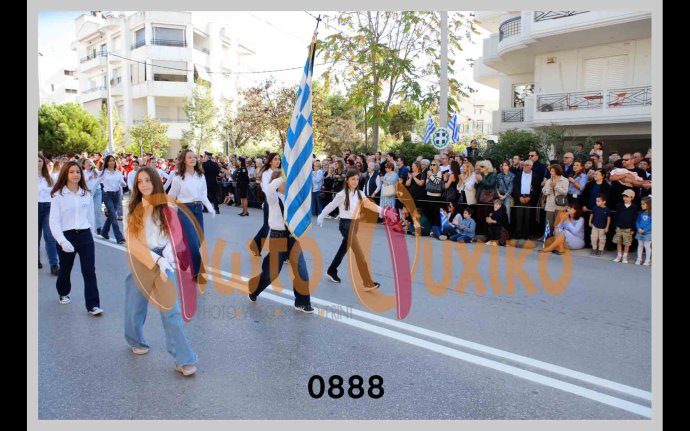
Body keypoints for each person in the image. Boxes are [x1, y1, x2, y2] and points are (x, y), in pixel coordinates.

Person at [123, 166, 198, 376]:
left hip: (165, 259)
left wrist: (167, 256)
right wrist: (156, 259)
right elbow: (132, 242)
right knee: (135, 307)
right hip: (141, 259)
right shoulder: (131, 207)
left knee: (171, 311)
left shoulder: (168, 206)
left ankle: (183, 358)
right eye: (140, 181)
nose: (144, 184)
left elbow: (174, 236)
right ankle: (135, 340)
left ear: (156, 181)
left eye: (148, 180)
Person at [317, 169, 398, 289]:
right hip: (345, 225)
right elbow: (331, 205)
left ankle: (331, 271)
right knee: (359, 253)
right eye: (352, 179)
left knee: (342, 250)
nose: (355, 181)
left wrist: (385, 212)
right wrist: (321, 215)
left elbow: (370, 205)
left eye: (357, 179)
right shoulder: (341, 195)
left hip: (355, 225)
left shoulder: (360, 193)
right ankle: (367, 282)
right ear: (347, 180)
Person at [247, 169, 314, 313]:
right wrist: (285, 174)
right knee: (272, 273)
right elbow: (270, 188)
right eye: (284, 181)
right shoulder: (272, 198)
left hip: (292, 237)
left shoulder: (292, 198)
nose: (286, 183)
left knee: (301, 270)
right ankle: (254, 288)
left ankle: (302, 302)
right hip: (278, 236)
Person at [49, 161, 103, 315]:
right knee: (65, 268)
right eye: (71, 172)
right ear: (65, 174)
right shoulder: (58, 195)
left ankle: (93, 305)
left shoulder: (86, 194)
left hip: (85, 235)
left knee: (89, 270)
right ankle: (63, 292)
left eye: (78, 172)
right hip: (66, 235)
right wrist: (62, 241)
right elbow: (54, 221)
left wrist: (92, 236)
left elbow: (90, 217)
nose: (75, 175)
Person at [168, 149, 215, 279]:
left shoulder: (201, 176)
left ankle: (182, 256)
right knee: (193, 243)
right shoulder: (178, 178)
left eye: (194, 157)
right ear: (184, 160)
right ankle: (197, 272)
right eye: (189, 157)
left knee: (199, 240)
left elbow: (203, 194)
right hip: (184, 209)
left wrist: (209, 207)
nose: (193, 159)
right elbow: (171, 196)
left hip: (198, 209)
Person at [251, 153, 281, 255]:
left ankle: (284, 254)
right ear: (270, 161)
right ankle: (256, 246)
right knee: (267, 225)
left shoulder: (281, 172)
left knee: (283, 227)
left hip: (281, 201)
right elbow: (266, 189)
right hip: (271, 201)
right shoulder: (266, 174)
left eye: (279, 159)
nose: (278, 161)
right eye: (275, 159)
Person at [38, 154, 59, 275]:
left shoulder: (50, 178)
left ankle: (54, 264)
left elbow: (56, 193)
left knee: (49, 236)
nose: (37, 163)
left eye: (40, 161)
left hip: (48, 207)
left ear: (43, 163)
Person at [99, 155, 127, 244]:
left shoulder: (118, 172)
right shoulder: (103, 173)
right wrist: (89, 194)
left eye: (113, 160)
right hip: (107, 195)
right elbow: (96, 183)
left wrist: (123, 184)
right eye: (110, 161)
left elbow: (123, 183)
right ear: (107, 162)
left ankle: (104, 232)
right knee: (114, 216)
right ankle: (119, 237)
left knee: (112, 215)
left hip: (117, 194)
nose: (112, 162)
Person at [541, 164, 569, 236]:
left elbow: (565, 192)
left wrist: (556, 186)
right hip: (550, 205)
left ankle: (557, 240)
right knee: (548, 224)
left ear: (557, 171)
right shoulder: (548, 181)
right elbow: (544, 192)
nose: (551, 172)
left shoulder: (565, 180)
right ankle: (547, 239)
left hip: (560, 206)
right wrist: (550, 189)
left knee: (559, 225)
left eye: (553, 171)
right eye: (550, 171)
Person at [612, 189, 638, 263]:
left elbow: (634, 218)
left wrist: (633, 228)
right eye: (624, 196)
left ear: (632, 197)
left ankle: (625, 256)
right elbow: (616, 216)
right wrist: (616, 225)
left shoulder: (634, 207)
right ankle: (619, 255)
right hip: (619, 227)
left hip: (628, 228)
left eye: (627, 197)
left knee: (627, 243)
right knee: (618, 241)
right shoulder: (619, 205)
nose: (625, 198)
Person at [634, 196, 652, 266]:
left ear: (649, 204)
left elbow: (651, 224)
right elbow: (637, 222)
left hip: (648, 233)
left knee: (647, 246)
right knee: (640, 245)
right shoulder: (640, 213)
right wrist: (638, 228)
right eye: (641, 204)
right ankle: (639, 259)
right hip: (640, 231)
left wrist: (644, 229)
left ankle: (647, 260)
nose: (642, 205)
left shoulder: (652, 213)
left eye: (643, 204)